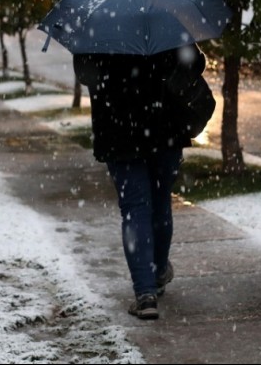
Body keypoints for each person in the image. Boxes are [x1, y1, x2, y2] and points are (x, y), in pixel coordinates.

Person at [73, 44, 208, 320]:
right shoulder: (165, 16)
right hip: (165, 128)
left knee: (135, 209)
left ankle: (145, 294)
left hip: (118, 130)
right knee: (159, 203)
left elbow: (85, 74)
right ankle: (158, 272)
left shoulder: (98, 30)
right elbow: (194, 64)